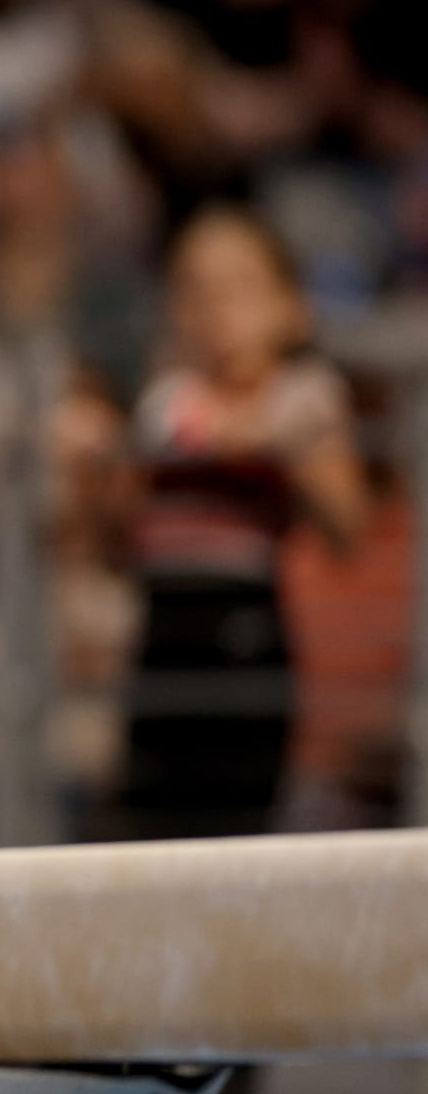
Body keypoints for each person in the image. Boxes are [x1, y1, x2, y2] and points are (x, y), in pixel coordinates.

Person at [117, 205, 369, 842]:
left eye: (238, 288)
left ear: (290, 307)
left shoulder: (303, 393)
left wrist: (272, 435)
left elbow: (347, 519)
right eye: (195, 289)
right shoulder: (168, 398)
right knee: (152, 825)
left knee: (234, 827)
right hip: (160, 639)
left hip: (243, 637)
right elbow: (126, 517)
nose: (215, 309)